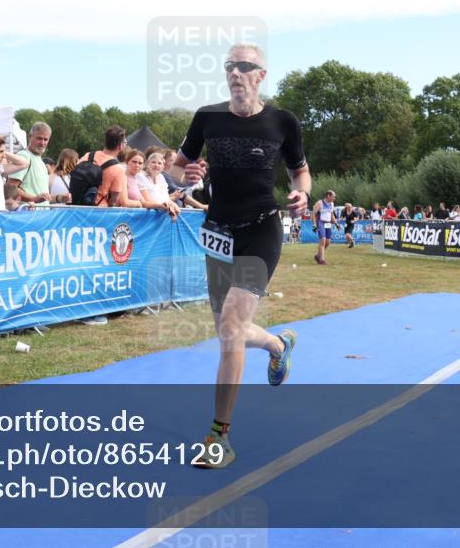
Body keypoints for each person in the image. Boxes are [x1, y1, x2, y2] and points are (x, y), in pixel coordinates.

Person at [170, 42, 310, 469]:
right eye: (230, 65)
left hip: (262, 231)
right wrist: (186, 174)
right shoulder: (207, 118)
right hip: (218, 233)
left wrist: (302, 192)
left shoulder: (283, 121)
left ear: (261, 74)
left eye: (245, 66)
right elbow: (177, 167)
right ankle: (277, 343)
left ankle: (219, 437)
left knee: (231, 327)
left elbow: (299, 170)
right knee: (229, 332)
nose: (235, 72)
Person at [9, 122, 69, 206]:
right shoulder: (23, 156)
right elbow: (10, 189)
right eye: (39, 138)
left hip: (41, 216)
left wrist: (59, 198)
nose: (42, 143)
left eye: (45, 139)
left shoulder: (41, 163)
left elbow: (42, 198)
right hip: (27, 216)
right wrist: (34, 199)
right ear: (30, 137)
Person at [78, 126, 129, 207]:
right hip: (99, 210)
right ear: (120, 146)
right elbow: (114, 200)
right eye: (125, 142)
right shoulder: (118, 169)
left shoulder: (87, 155)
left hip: (77, 207)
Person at [137, 152, 181, 219]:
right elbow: (148, 200)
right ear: (147, 164)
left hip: (162, 215)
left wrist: (173, 205)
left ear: (163, 166)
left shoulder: (161, 177)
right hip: (147, 217)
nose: (156, 165)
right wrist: (169, 208)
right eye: (153, 162)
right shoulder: (141, 176)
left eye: (159, 163)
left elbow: (166, 198)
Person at [311, 190, 337, 264]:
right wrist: (314, 225)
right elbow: (313, 214)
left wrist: (336, 224)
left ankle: (318, 255)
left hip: (328, 223)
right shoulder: (320, 203)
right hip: (321, 222)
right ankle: (322, 260)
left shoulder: (332, 204)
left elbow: (332, 215)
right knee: (323, 240)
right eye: (333, 196)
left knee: (328, 242)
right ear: (328, 196)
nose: (334, 198)